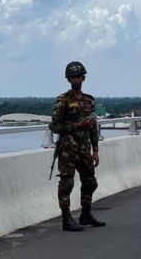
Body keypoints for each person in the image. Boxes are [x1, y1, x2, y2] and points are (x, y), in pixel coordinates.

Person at [49, 61, 106, 231]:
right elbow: (55, 126)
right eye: (73, 76)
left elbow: (93, 127)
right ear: (68, 79)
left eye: (78, 76)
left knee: (90, 181)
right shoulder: (63, 100)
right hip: (68, 146)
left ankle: (85, 214)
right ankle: (66, 220)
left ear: (83, 78)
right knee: (67, 183)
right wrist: (76, 127)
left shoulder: (89, 101)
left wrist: (95, 150)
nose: (76, 79)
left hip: (84, 145)